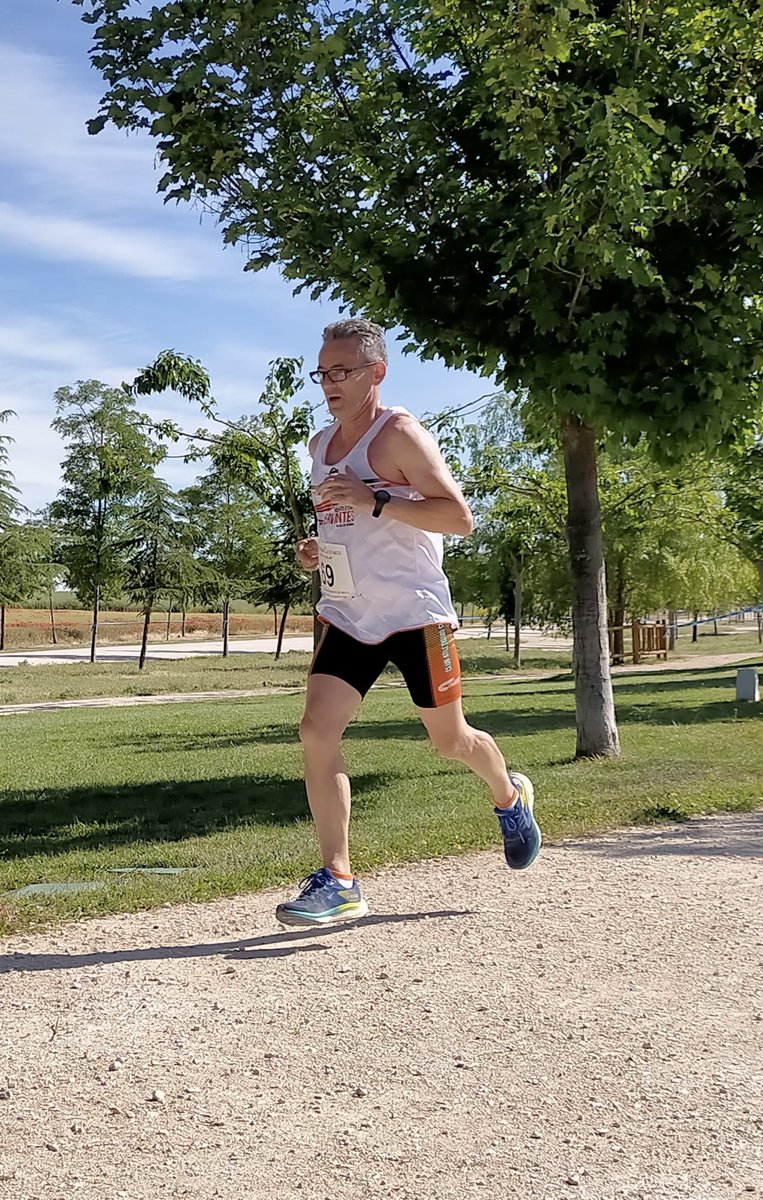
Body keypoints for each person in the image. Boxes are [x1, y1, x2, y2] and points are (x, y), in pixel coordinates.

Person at [275, 319, 541, 927]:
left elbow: (458, 518)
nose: (329, 383)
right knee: (316, 731)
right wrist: (317, 548)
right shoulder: (319, 447)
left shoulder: (398, 434)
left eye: (342, 371)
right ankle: (339, 879)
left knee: (450, 742)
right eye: (322, 372)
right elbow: (343, 523)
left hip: (416, 614)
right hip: (348, 612)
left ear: (377, 372)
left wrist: (375, 499)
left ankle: (510, 795)